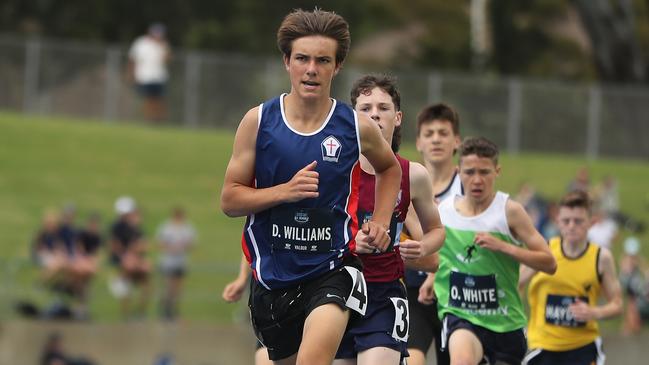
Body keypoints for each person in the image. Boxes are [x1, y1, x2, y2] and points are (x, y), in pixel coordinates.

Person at [220, 9, 402, 365]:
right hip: (272, 279)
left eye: (323, 60)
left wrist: (381, 221)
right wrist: (283, 192)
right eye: (302, 58)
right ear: (287, 62)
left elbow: (390, 169)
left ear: (337, 67)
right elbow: (229, 199)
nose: (311, 69)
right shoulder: (258, 122)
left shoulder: (355, 126)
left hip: (332, 268)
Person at [333, 75, 445, 365]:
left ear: (397, 118)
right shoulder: (335, 171)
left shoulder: (413, 175)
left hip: (385, 296)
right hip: (335, 291)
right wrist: (350, 242)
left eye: (382, 108)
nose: (374, 115)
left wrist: (421, 248)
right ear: (352, 118)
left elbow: (435, 234)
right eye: (365, 108)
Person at [433, 137, 557, 365]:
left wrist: (504, 247)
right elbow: (437, 254)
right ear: (459, 171)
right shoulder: (445, 211)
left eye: (484, 172)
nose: (477, 180)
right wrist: (430, 278)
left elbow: (549, 262)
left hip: (506, 324)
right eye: (470, 172)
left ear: (497, 171)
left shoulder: (509, 212)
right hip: (461, 315)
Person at [520, 190, 622, 365]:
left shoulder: (601, 258)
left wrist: (594, 312)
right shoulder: (544, 250)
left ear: (591, 222)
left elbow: (618, 304)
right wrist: (517, 323)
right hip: (542, 346)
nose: (572, 226)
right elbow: (515, 285)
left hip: (582, 347)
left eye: (578, 221)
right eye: (566, 221)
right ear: (558, 221)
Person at [406, 103, 464, 365]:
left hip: (457, 293)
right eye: (429, 134)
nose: (436, 139)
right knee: (412, 359)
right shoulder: (405, 182)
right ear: (419, 142)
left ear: (457, 141)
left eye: (443, 133)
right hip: (413, 291)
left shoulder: (469, 186)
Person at [222, 254, 273, 365]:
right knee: (266, 354)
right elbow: (251, 239)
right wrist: (242, 278)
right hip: (273, 295)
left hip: (311, 291)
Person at [109, 196, 151, 319]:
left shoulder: (136, 228)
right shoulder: (117, 227)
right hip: (124, 260)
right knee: (126, 284)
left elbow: (143, 246)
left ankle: (140, 313)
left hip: (134, 260)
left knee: (146, 279)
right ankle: (126, 314)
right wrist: (127, 255)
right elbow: (115, 246)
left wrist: (137, 255)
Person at [156, 206, 197, 320]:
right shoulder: (166, 227)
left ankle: (174, 311)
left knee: (178, 289)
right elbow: (160, 243)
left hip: (181, 262)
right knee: (169, 287)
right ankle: (165, 311)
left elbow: (191, 243)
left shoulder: (187, 228)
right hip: (168, 262)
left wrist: (183, 246)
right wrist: (172, 248)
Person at [128, 23, 171, 122]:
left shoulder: (164, 45)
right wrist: (131, 73)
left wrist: (163, 46)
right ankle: (150, 119)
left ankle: (159, 119)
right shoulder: (141, 43)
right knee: (148, 99)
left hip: (159, 76)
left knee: (159, 99)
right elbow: (133, 59)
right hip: (144, 76)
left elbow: (167, 60)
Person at [619, 236, 649, 336]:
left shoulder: (639, 264)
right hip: (635, 295)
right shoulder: (625, 264)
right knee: (632, 304)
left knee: (632, 305)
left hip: (640, 295)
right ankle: (630, 328)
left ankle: (631, 328)